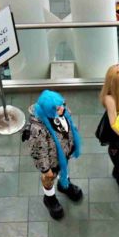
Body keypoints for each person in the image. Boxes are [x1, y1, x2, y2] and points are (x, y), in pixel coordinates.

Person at [22, 90, 85, 220]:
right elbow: (39, 152)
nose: (63, 108)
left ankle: (64, 184)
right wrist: (46, 169)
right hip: (51, 161)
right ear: (49, 110)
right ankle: (49, 198)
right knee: (49, 178)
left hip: (64, 153)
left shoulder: (62, 110)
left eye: (62, 104)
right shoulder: (37, 129)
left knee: (65, 166)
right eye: (58, 108)